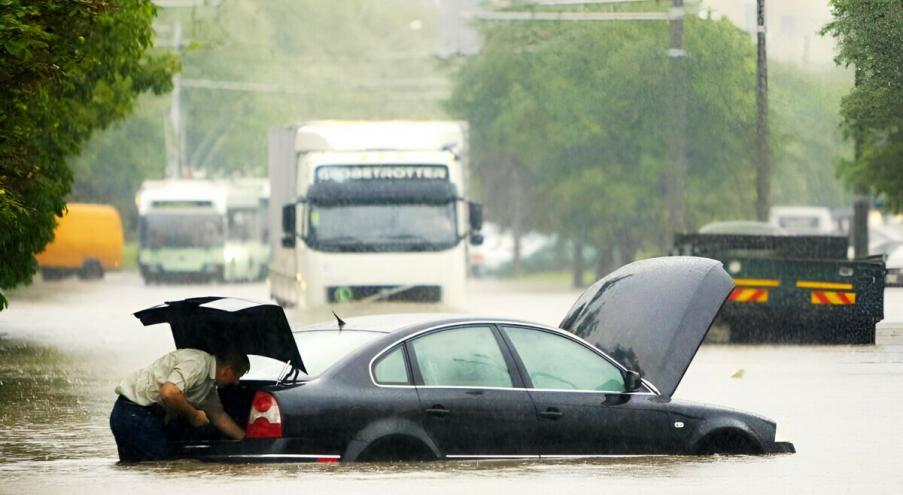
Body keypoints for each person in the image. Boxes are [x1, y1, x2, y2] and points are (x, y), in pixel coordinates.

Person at [109, 348, 249, 462]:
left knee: (133, 469)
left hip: (129, 414)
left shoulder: (208, 386)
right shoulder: (197, 363)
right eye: (238, 376)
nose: (236, 382)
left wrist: (247, 441)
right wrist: (193, 415)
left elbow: (219, 417)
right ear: (227, 371)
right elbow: (169, 392)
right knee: (162, 467)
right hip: (134, 413)